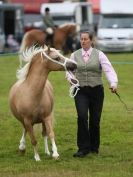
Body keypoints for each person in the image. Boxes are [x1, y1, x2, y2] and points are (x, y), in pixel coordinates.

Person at [66, 31, 118, 158]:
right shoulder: (74, 55)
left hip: (96, 91)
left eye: (85, 39)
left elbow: (108, 69)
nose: (83, 41)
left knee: (95, 120)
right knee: (82, 117)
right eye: (81, 39)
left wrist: (113, 83)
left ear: (91, 41)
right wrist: (71, 79)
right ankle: (83, 148)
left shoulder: (99, 54)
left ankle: (94, 147)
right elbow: (69, 71)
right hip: (80, 91)